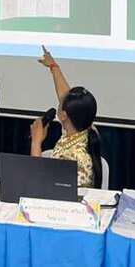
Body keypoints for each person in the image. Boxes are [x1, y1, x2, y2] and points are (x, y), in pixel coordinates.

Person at [30, 46, 103, 188]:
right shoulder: (83, 129)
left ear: (64, 115)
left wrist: (36, 142)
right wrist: (53, 66)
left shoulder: (72, 155)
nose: (60, 99)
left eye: (60, 103)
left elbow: (40, 184)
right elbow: (66, 96)